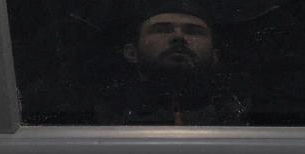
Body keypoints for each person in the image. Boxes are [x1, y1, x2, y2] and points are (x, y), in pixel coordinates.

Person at [95, 9, 246, 125]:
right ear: (131, 53)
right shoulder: (97, 116)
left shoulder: (242, 115)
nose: (178, 37)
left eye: (194, 32)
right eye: (161, 30)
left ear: (215, 56)